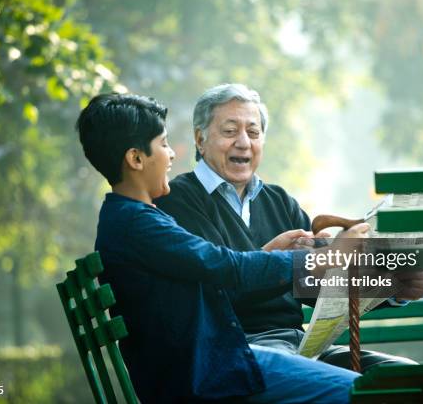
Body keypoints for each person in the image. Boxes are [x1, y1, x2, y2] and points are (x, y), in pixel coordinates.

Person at [76, 92, 365, 403]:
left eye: (253, 132)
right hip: (212, 371)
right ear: (135, 159)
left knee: (392, 381)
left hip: (216, 362)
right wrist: (326, 256)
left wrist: (397, 278)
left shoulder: (132, 219)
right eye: (163, 144)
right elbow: (226, 267)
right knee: (362, 392)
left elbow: (218, 270)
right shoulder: (145, 221)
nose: (172, 154)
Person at [155, 83, 423, 372]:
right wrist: (285, 259)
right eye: (229, 131)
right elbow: (212, 297)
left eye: (253, 132)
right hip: (238, 347)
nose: (243, 142)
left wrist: (392, 288)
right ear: (200, 139)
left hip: (300, 345)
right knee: (342, 385)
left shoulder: (279, 200)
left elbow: (318, 286)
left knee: (404, 374)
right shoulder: (178, 201)